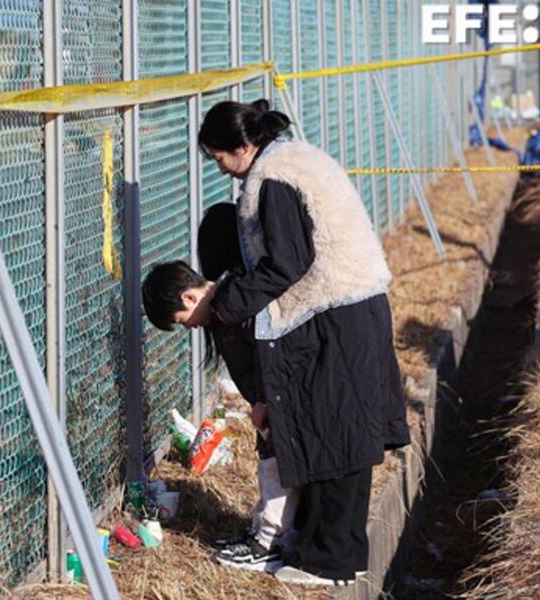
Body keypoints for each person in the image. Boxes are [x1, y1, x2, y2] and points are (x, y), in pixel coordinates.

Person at [145, 99, 410, 586]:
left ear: (244, 146)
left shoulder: (273, 181)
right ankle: (320, 550)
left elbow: (288, 264)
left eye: (220, 157)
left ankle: (328, 560)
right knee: (334, 434)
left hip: (338, 311)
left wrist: (228, 302)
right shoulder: (290, 163)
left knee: (336, 438)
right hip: (351, 306)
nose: (220, 168)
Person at [189, 203, 300, 572]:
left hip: (272, 397)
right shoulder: (245, 291)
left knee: (275, 463)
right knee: (272, 461)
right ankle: (266, 530)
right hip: (271, 396)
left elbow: (261, 355)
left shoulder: (234, 305)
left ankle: (270, 538)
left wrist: (264, 399)